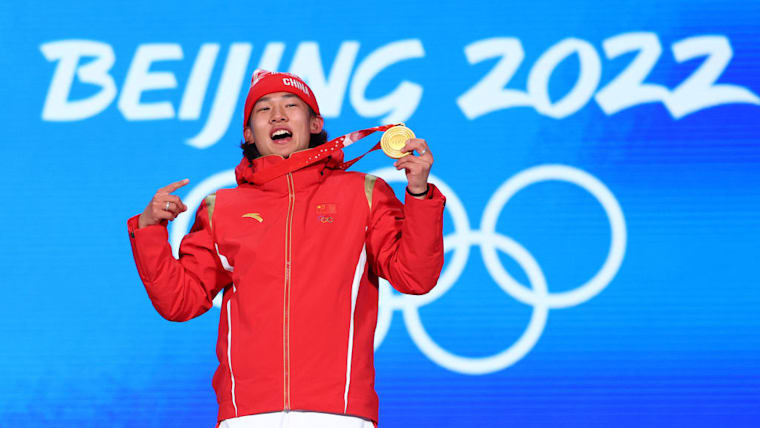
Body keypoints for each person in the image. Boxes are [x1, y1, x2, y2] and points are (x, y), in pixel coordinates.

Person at [127, 70, 446, 428]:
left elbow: (415, 277)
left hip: (338, 413)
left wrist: (419, 194)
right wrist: (150, 229)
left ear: (315, 124)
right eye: (263, 109)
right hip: (247, 415)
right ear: (249, 133)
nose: (277, 115)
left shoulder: (363, 193)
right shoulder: (222, 208)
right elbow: (180, 301)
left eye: (291, 105)